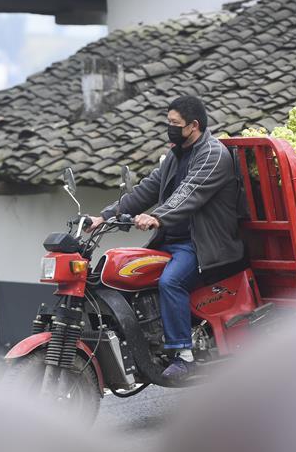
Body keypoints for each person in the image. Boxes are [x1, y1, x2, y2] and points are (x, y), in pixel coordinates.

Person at [88, 95, 244, 384]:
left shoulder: (212, 155)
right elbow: (146, 189)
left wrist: (158, 216)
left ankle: (183, 356)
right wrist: (105, 216)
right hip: (172, 243)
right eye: (168, 122)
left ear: (193, 126)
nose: (168, 128)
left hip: (205, 246)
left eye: (174, 124)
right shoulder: (175, 155)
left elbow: (189, 192)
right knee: (126, 273)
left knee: (170, 281)